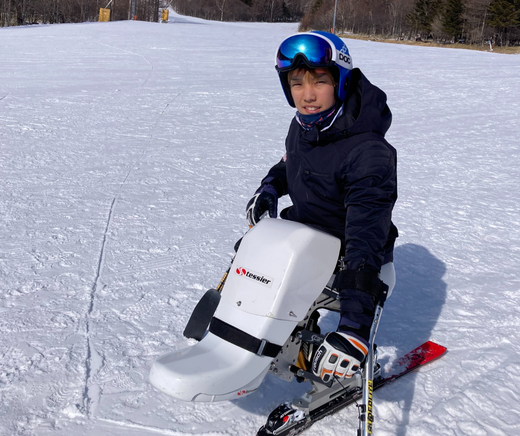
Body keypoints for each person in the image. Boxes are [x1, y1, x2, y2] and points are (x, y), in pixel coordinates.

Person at [245, 31, 398, 383]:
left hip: (350, 254)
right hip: (307, 233)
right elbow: (292, 164)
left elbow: (365, 236)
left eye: (320, 81)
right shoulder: (304, 127)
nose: (307, 95)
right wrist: (270, 188)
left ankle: (315, 348)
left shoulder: (369, 152)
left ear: (341, 81)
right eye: (296, 83)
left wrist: (354, 327)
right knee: (251, 251)